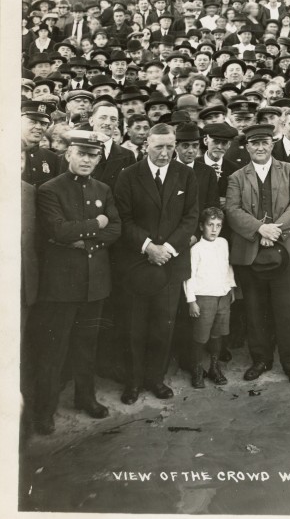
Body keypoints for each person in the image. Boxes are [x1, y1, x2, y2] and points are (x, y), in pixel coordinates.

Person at [30, 131, 121, 435]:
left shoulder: (104, 188)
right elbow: (58, 230)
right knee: (53, 350)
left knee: (86, 345)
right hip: (62, 285)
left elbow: (116, 230)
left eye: (92, 155)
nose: (86, 160)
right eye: (81, 153)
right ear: (68, 154)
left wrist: (83, 240)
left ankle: (86, 398)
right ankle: (44, 411)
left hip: (95, 281)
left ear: (98, 158)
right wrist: (96, 224)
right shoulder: (49, 189)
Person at [113, 123, 199, 403]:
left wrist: (169, 249)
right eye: (158, 146)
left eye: (169, 147)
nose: (164, 153)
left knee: (164, 326)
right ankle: (133, 382)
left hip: (170, 264)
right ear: (145, 145)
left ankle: (155, 379)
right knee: (134, 326)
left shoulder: (185, 175)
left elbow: (191, 217)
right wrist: (149, 247)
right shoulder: (128, 175)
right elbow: (123, 219)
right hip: (138, 264)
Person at [224, 123, 290, 385]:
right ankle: (260, 359)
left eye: (265, 143)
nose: (260, 148)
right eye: (254, 143)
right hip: (250, 252)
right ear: (247, 147)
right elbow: (233, 210)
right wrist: (260, 229)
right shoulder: (237, 177)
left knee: (288, 311)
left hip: (287, 250)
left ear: (273, 145)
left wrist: (275, 232)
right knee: (255, 310)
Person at [185, 207, 236, 388]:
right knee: (201, 336)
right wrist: (191, 301)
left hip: (222, 295)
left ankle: (215, 367)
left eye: (218, 225)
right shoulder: (196, 249)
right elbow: (189, 275)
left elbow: (227, 265)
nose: (214, 229)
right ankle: (197, 369)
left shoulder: (223, 243)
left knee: (217, 334)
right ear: (201, 226)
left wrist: (231, 287)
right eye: (210, 225)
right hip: (204, 297)